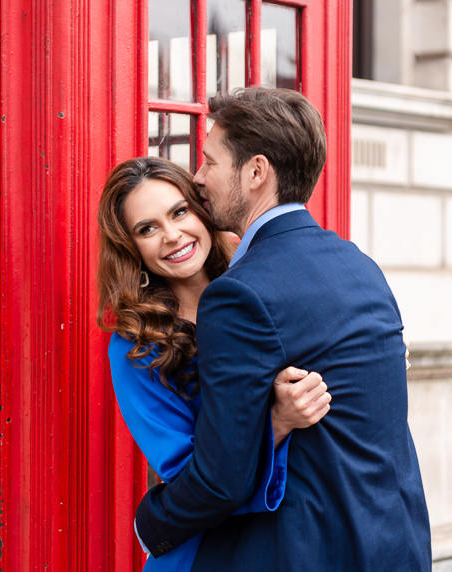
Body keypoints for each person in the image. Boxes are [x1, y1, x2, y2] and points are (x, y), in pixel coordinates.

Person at [133, 87, 432, 571]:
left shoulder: (238, 294)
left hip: (306, 551)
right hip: (394, 543)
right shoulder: (360, 266)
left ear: (255, 172)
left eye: (210, 161)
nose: (198, 176)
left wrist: (151, 523)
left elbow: (219, 478)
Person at [96, 157, 333, 571]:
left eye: (179, 212)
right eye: (147, 229)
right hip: (209, 550)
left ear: (202, 211)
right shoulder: (137, 348)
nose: (171, 235)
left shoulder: (265, 286)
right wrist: (276, 422)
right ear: (131, 248)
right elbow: (194, 476)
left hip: (299, 531)